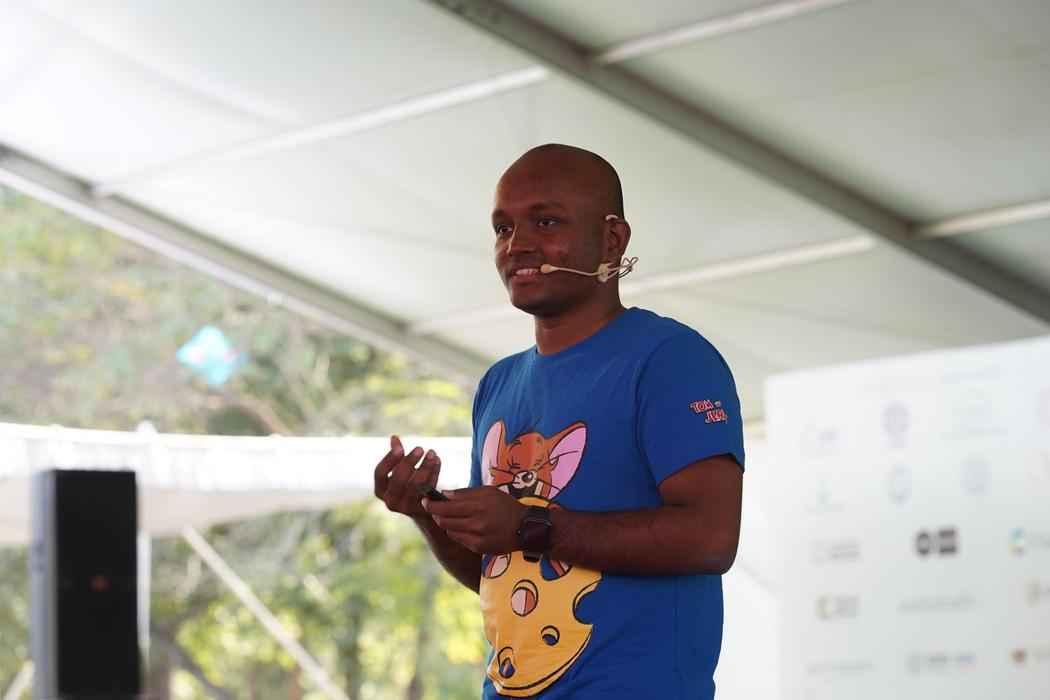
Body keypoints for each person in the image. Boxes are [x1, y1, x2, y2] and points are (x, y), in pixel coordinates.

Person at [373, 144, 745, 699]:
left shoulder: (670, 359)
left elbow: (711, 538)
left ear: (612, 240)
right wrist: (426, 513)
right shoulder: (499, 383)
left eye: (545, 222)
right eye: (503, 228)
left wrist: (530, 525)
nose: (517, 245)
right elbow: (499, 572)